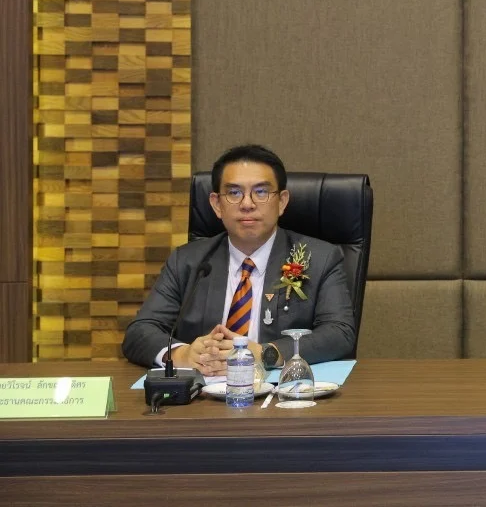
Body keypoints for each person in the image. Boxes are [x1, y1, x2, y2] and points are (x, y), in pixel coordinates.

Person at [123, 144, 355, 373]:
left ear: (282, 202)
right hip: (204, 389)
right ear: (217, 204)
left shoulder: (321, 259)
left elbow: (340, 333)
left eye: (261, 192)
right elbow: (139, 332)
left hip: (278, 390)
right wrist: (182, 355)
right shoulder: (187, 261)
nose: (247, 204)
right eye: (234, 193)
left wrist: (265, 354)